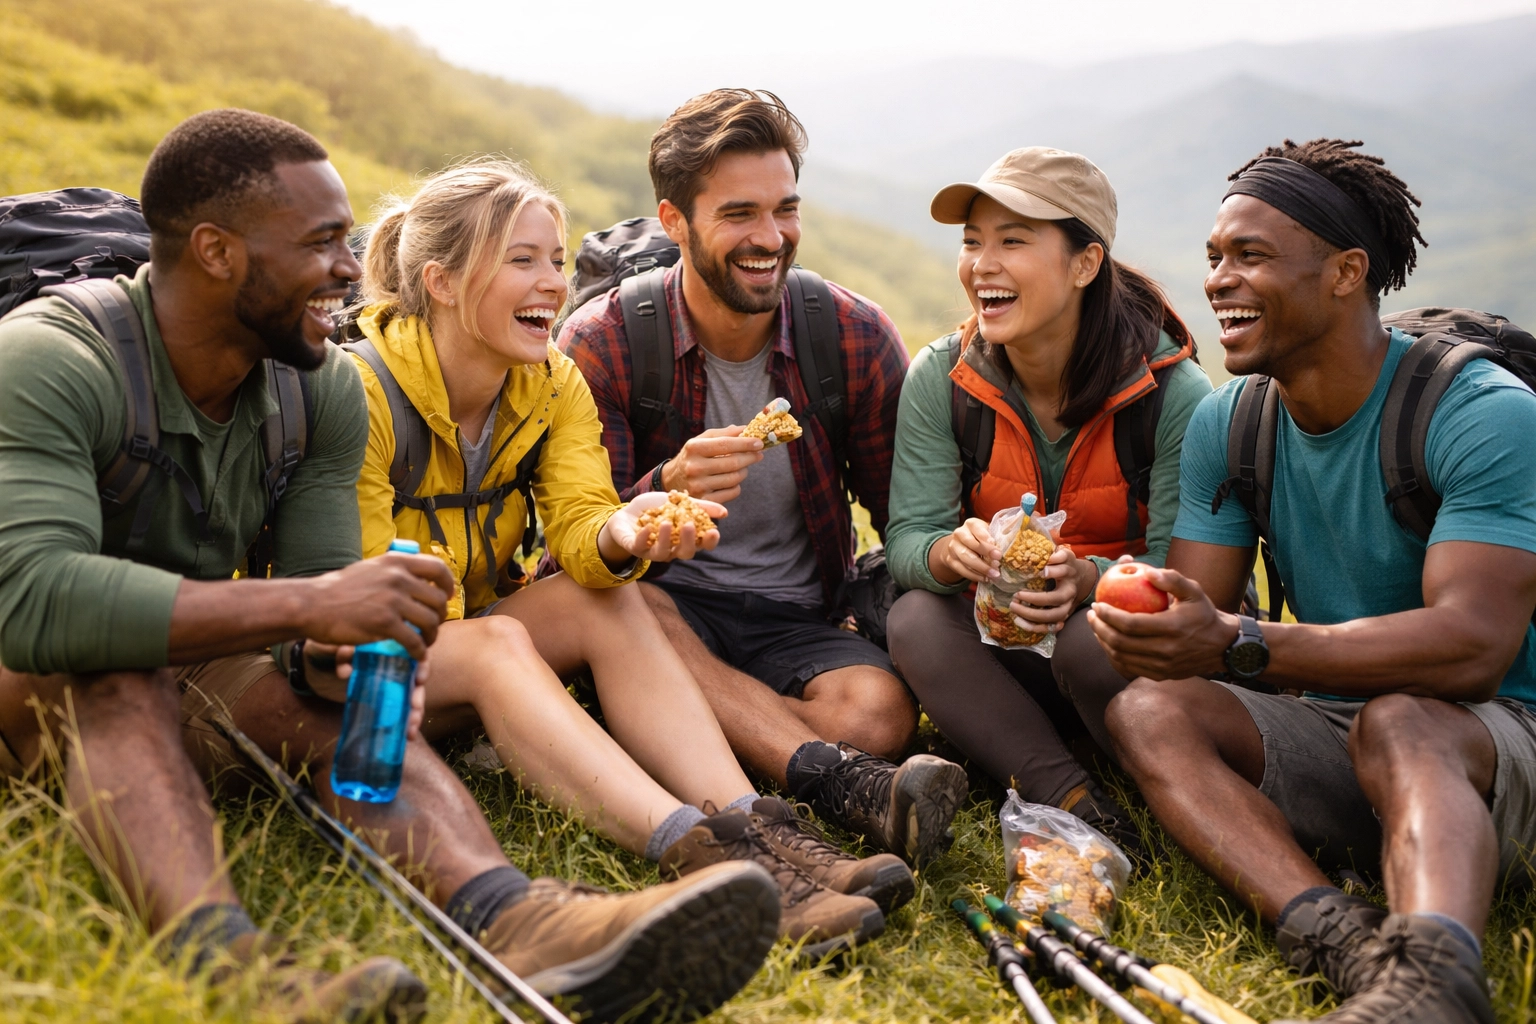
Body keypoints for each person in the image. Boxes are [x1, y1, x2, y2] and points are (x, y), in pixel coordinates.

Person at [0, 109, 783, 1024]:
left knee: (340, 692)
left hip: (201, 676)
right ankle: (244, 979)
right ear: (216, 251)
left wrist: (352, 655)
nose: (352, 265)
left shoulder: (317, 386)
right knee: (119, 663)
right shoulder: (52, 359)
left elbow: (327, 619)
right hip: (35, 684)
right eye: (322, 243)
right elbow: (36, 603)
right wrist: (322, 601)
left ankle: (518, 915)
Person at [348, 158, 905, 956]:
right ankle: (696, 851)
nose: (551, 283)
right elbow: (359, 588)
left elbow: (581, 521)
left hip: (468, 640)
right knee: (499, 637)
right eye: (522, 260)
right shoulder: (360, 391)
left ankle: (753, 826)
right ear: (439, 281)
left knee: (600, 595)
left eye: (556, 258)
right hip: (370, 659)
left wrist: (625, 531)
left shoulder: (550, 385)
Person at [1093, 139, 1536, 1024]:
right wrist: (1140, 615)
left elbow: (1475, 652)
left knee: (1404, 718)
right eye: (1215, 256)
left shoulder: (1483, 413)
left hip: (1495, 736)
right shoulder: (1234, 421)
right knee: (1149, 710)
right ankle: (1349, 943)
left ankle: (1439, 977)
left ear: (1345, 272)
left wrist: (1241, 641)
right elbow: (1200, 626)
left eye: (1250, 256)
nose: (1219, 278)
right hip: (1345, 722)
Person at [558, 89, 967, 866]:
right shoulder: (603, 344)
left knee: (880, 716)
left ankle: (699, 727)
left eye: (785, 209)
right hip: (659, 607)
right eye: (739, 214)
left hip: (794, 618)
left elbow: (901, 514)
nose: (770, 237)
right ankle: (840, 783)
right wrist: (661, 490)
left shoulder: (850, 334)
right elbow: (569, 553)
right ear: (675, 221)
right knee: (628, 607)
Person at [882, 148, 1210, 856]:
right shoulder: (942, 377)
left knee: (1097, 638)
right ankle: (1071, 796)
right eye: (972, 242)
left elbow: (1189, 581)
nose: (981, 265)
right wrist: (947, 552)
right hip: (1000, 647)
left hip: (1115, 662)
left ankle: (1142, 764)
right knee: (912, 618)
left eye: (1012, 241)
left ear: (1085, 263)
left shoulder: (1175, 398)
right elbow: (908, 536)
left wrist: (1087, 581)